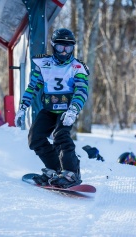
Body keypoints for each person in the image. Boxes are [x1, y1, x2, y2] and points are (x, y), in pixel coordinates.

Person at [14, 28, 89, 188]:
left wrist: (74, 110)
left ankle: (71, 172)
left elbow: (82, 90)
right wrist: (23, 107)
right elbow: (33, 87)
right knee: (35, 138)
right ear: (53, 46)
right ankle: (56, 169)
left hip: (66, 111)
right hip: (48, 109)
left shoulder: (77, 68)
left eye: (67, 48)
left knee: (61, 136)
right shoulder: (43, 64)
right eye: (60, 47)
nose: (64, 52)